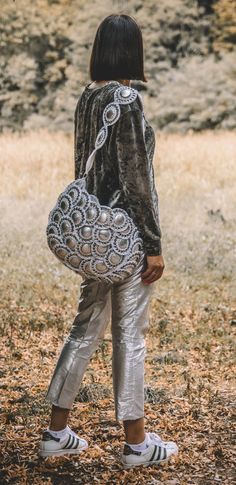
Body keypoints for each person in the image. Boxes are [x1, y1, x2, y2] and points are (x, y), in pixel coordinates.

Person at [39, 14, 178, 468]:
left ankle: (56, 433)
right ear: (132, 51)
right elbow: (138, 180)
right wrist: (153, 243)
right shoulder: (127, 99)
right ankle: (137, 444)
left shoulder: (88, 98)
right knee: (129, 336)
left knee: (84, 329)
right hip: (127, 238)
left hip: (95, 235)